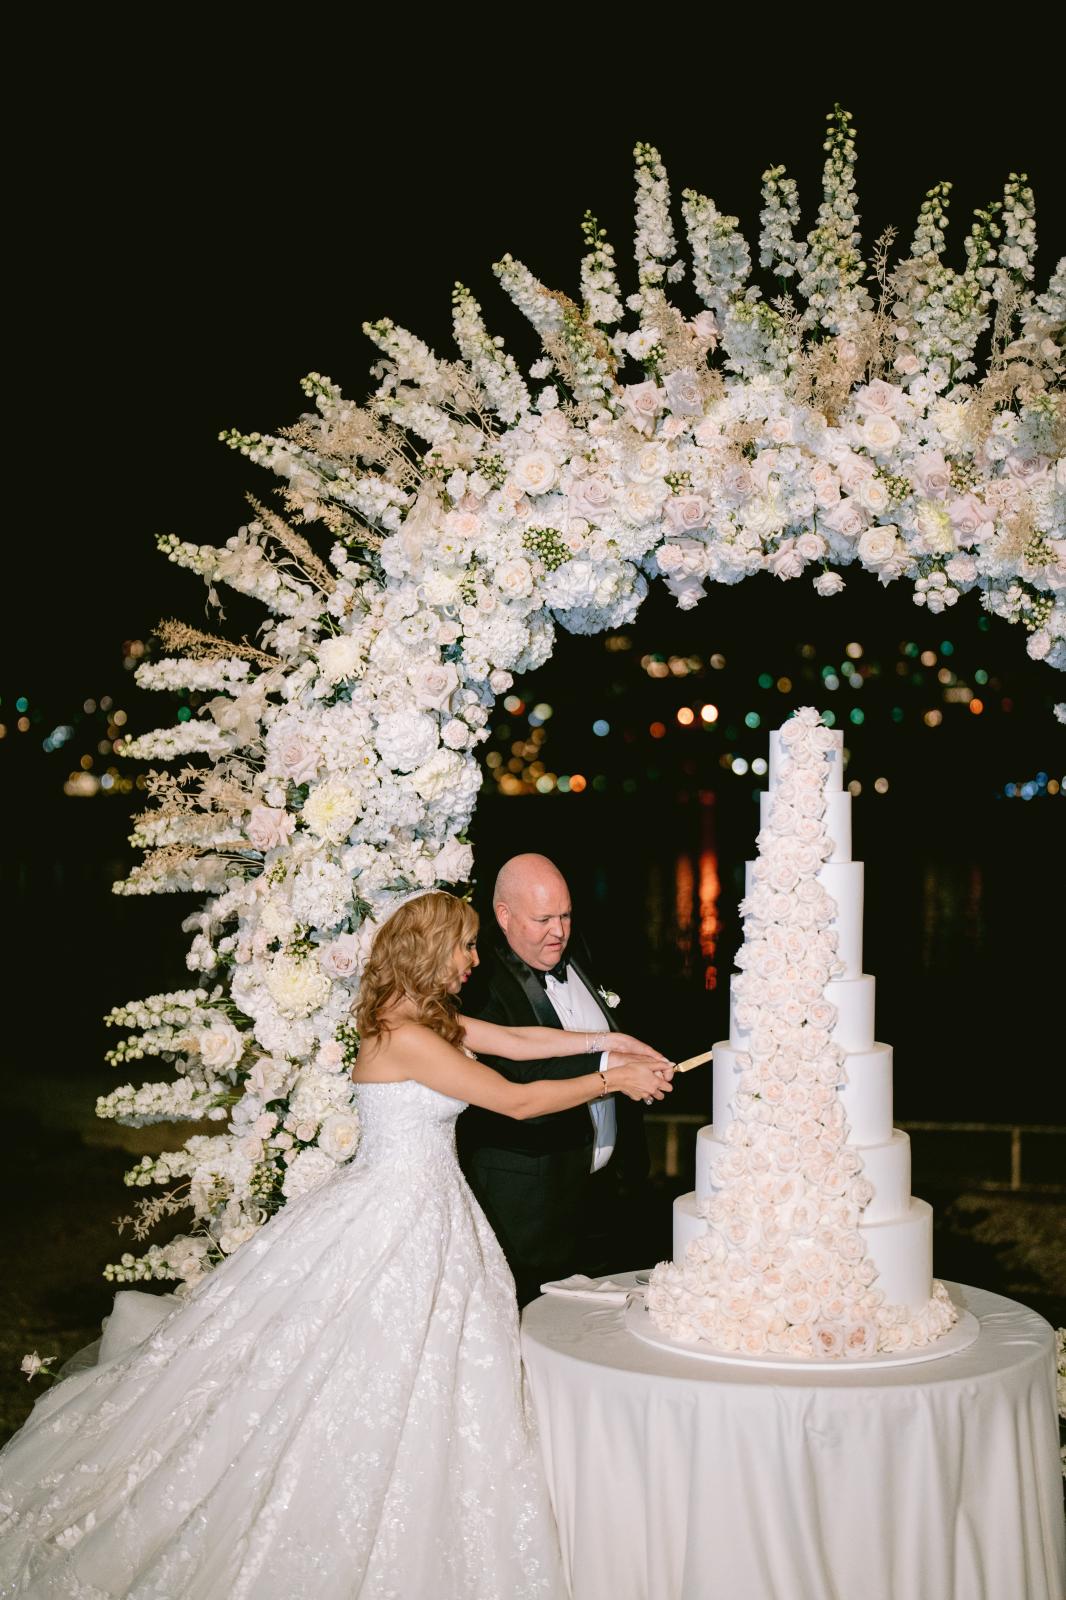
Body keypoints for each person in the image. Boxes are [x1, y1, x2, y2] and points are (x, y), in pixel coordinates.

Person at [0, 891, 671, 1599]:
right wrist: (614, 1081)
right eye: (467, 945)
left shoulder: (423, 1018)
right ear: (433, 949)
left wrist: (606, 1041)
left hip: (430, 1208)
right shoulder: (406, 1035)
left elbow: (515, 1041)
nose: (476, 959)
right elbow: (516, 1099)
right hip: (395, 1216)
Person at [458, 854, 665, 1306]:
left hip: (605, 1198)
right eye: (544, 919)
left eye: (566, 915)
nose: (559, 931)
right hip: (531, 1208)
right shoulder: (478, 982)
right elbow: (518, 1075)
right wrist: (612, 1068)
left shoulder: (578, 952)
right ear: (503, 915)